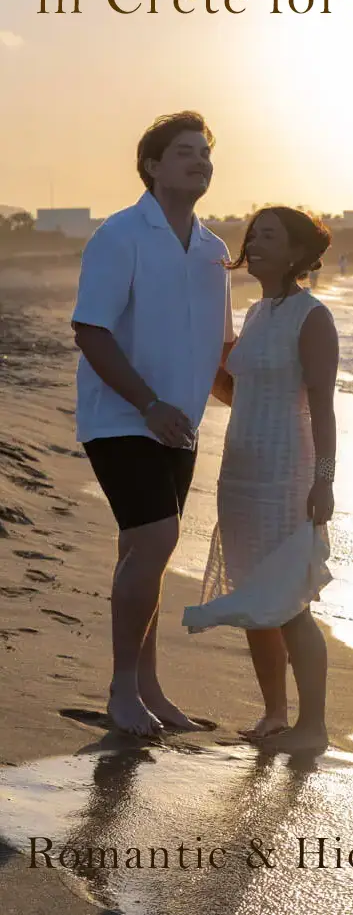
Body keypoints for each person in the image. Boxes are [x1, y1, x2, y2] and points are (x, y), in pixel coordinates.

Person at [71, 111, 235, 737]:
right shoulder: (120, 235)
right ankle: (120, 692)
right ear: (152, 165)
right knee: (158, 540)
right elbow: (91, 329)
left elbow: (221, 352)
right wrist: (147, 404)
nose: (200, 162)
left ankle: (149, 690)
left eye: (206, 154)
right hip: (122, 415)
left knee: (147, 551)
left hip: (181, 424)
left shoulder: (215, 250)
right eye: (186, 152)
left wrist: (258, 408)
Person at [183, 206, 338, 755]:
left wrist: (325, 481)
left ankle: (313, 726)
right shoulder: (255, 313)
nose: (256, 242)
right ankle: (275, 713)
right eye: (255, 234)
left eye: (269, 235)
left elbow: (323, 407)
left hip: (286, 478)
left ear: (297, 253)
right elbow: (239, 392)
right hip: (240, 473)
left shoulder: (312, 316)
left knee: (291, 602)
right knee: (255, 598)